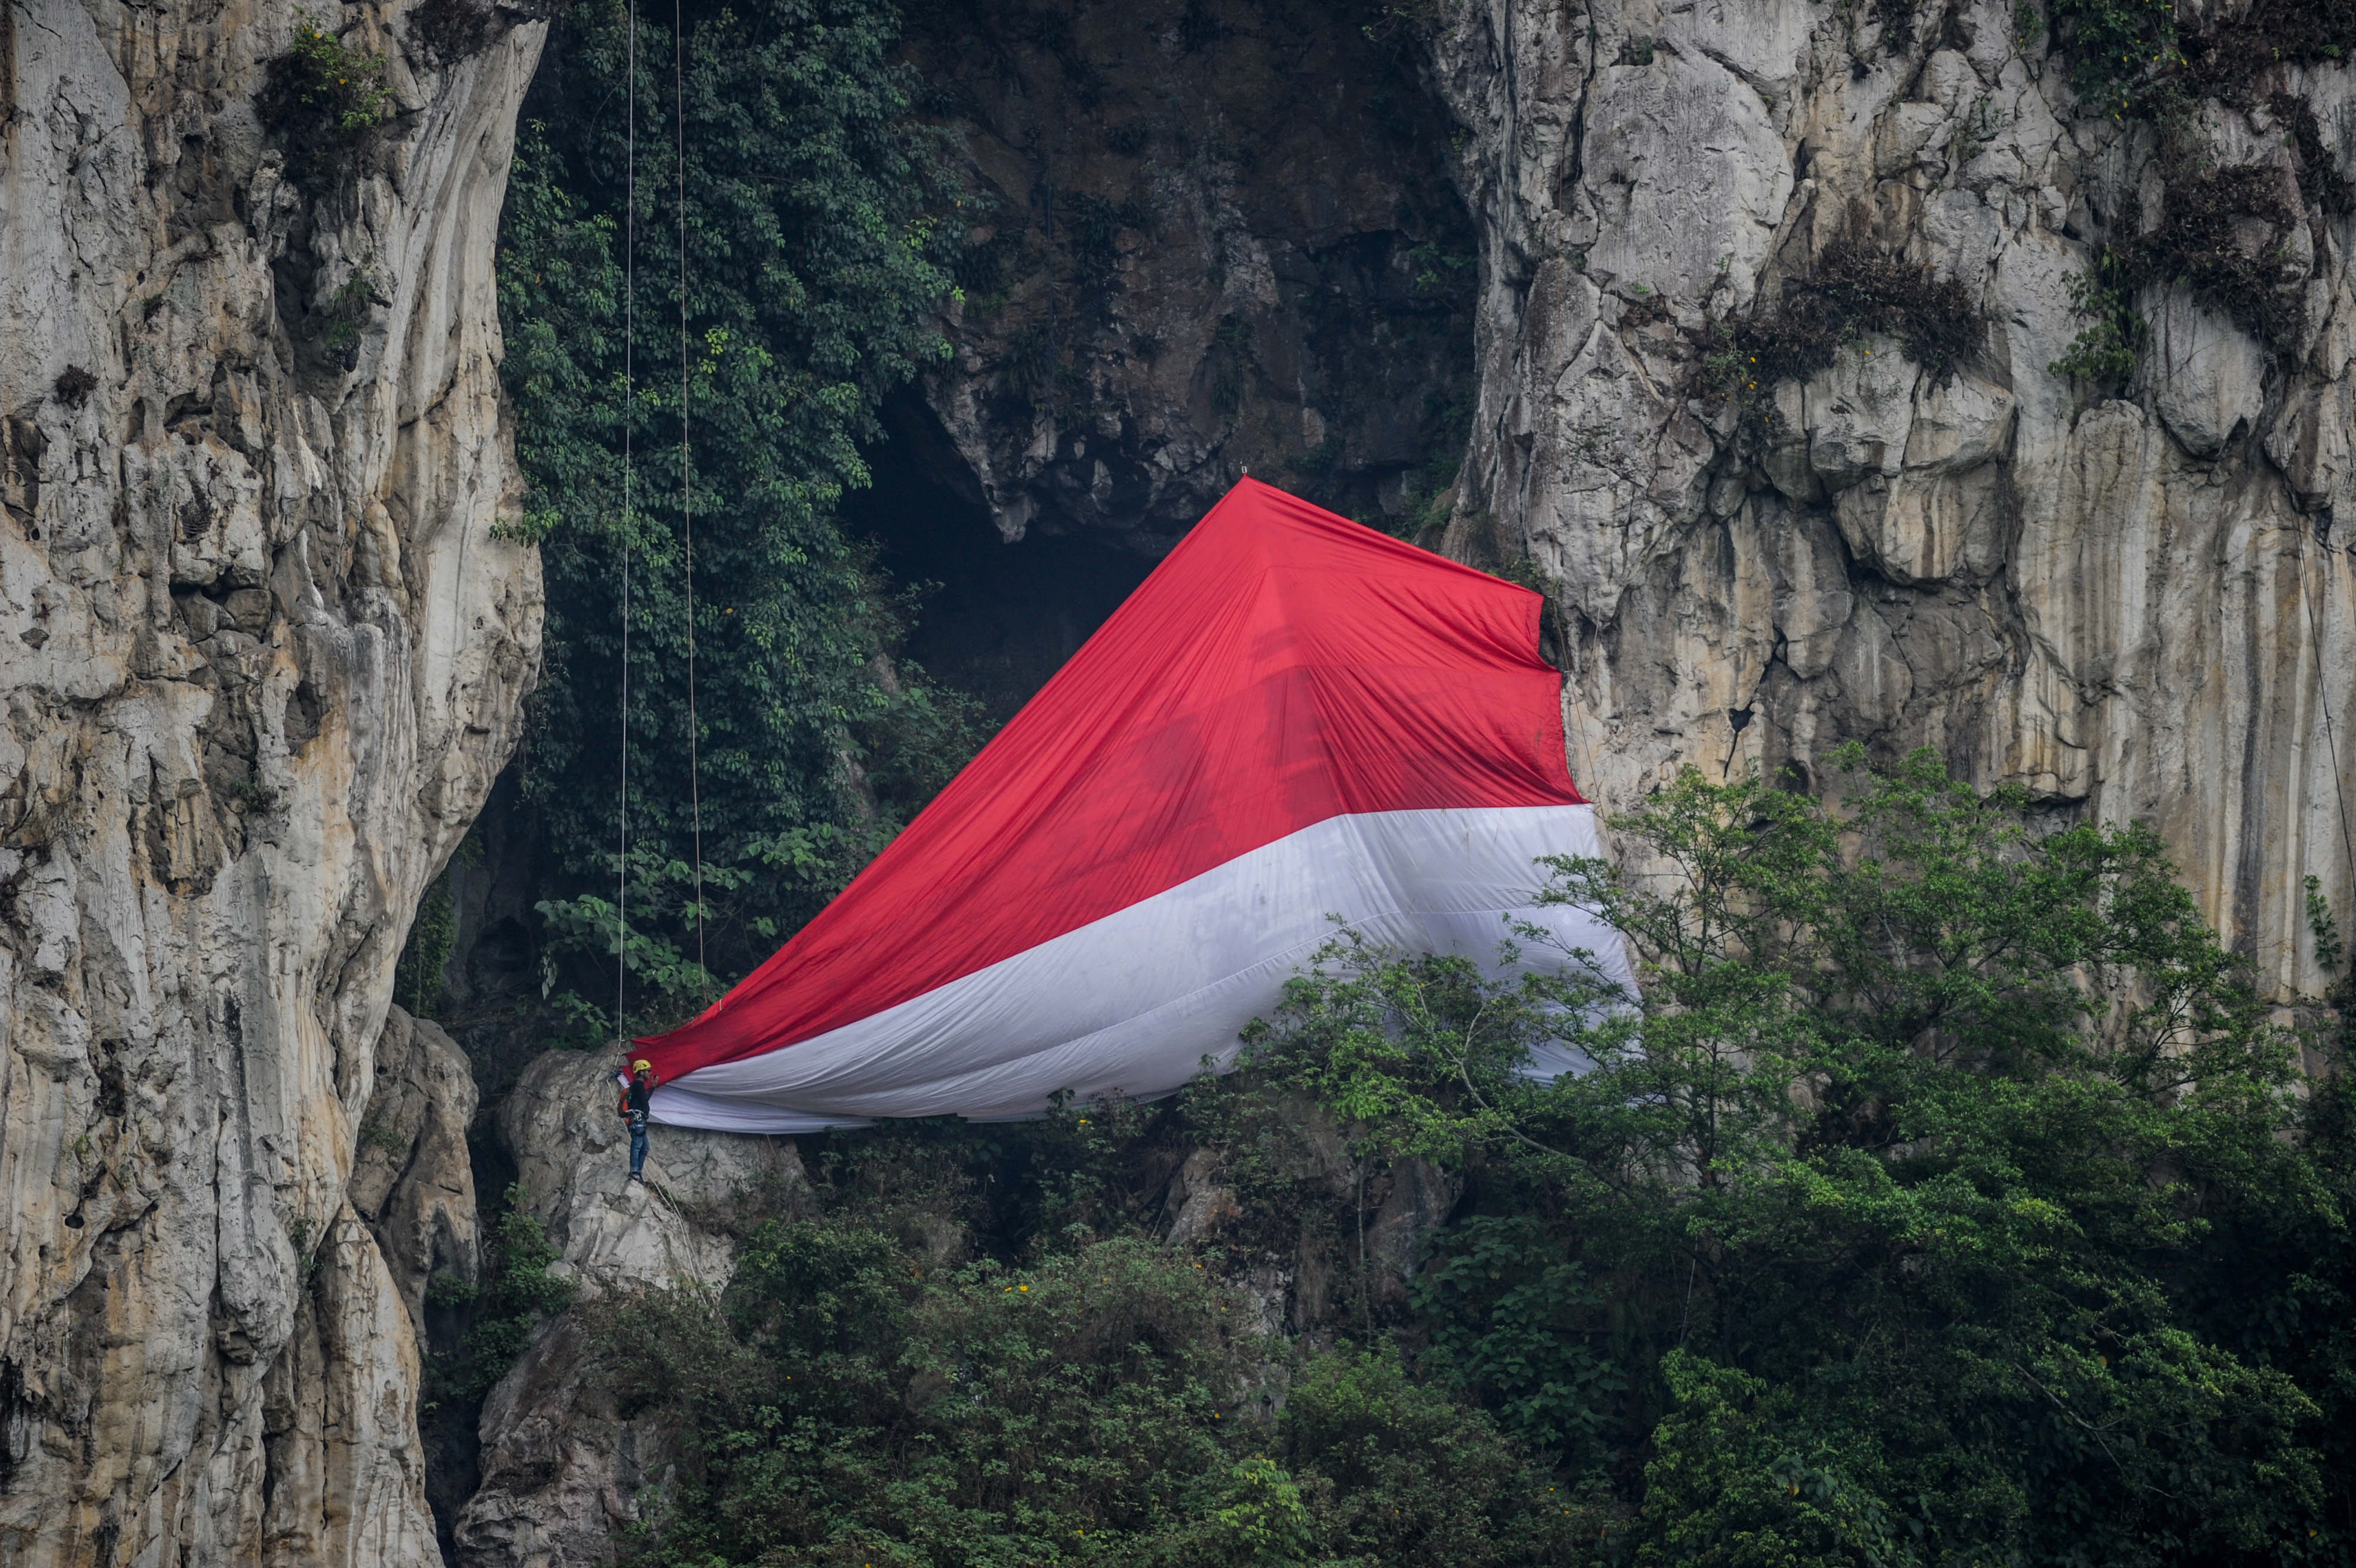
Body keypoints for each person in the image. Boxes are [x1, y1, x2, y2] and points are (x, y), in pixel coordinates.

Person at [614, 1058, 659, 1183]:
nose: (650, 1073)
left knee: (645, 1147)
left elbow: (643, 1101)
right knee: (638, 1145)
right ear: (641, 1072)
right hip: (637, 1120)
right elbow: (644, 1101)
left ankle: (637, 1172)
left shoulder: (638, 1085)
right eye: (648, 1071)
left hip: (640, 1120)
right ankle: (634, 1172)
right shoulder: (638, 1085)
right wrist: (653, 1087)